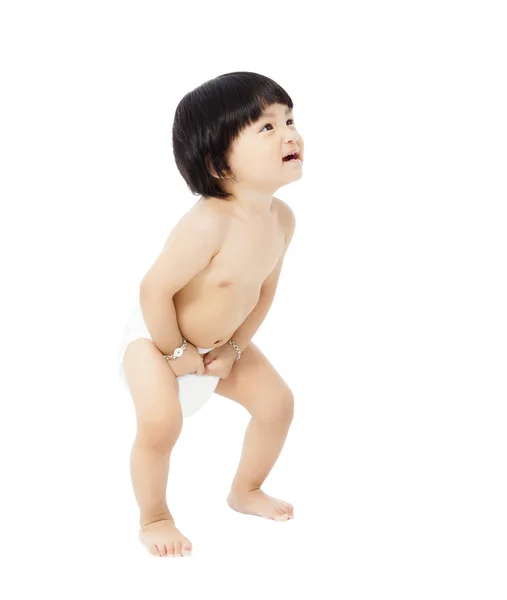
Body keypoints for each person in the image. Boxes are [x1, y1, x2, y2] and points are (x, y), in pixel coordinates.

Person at [118, 71, 304, 558]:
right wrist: (175, 351)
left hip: (218, 347)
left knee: (277, 405)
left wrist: (233, 348)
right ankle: (154, 516)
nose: (290, 133)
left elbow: (263, 295)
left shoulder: (281, 220)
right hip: (155, 341)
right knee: (161, 424)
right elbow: (154, 289)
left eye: (289, 119)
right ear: (217, 162)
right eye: (266, 127)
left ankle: (245, 490)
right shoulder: (209, 222)